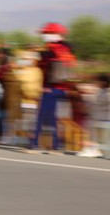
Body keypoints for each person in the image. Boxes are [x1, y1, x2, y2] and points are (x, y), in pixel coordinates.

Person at [31, 22, 76, 150]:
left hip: (50, 88)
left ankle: (34, 143)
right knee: (55, 117)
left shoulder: (52, 50)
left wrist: (38, 56)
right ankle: (56, 145)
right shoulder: (68, 49)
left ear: (55, 34)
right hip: (64, 89)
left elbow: (42, 64)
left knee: (42, 116)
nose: (45, 36)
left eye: (47, 33)